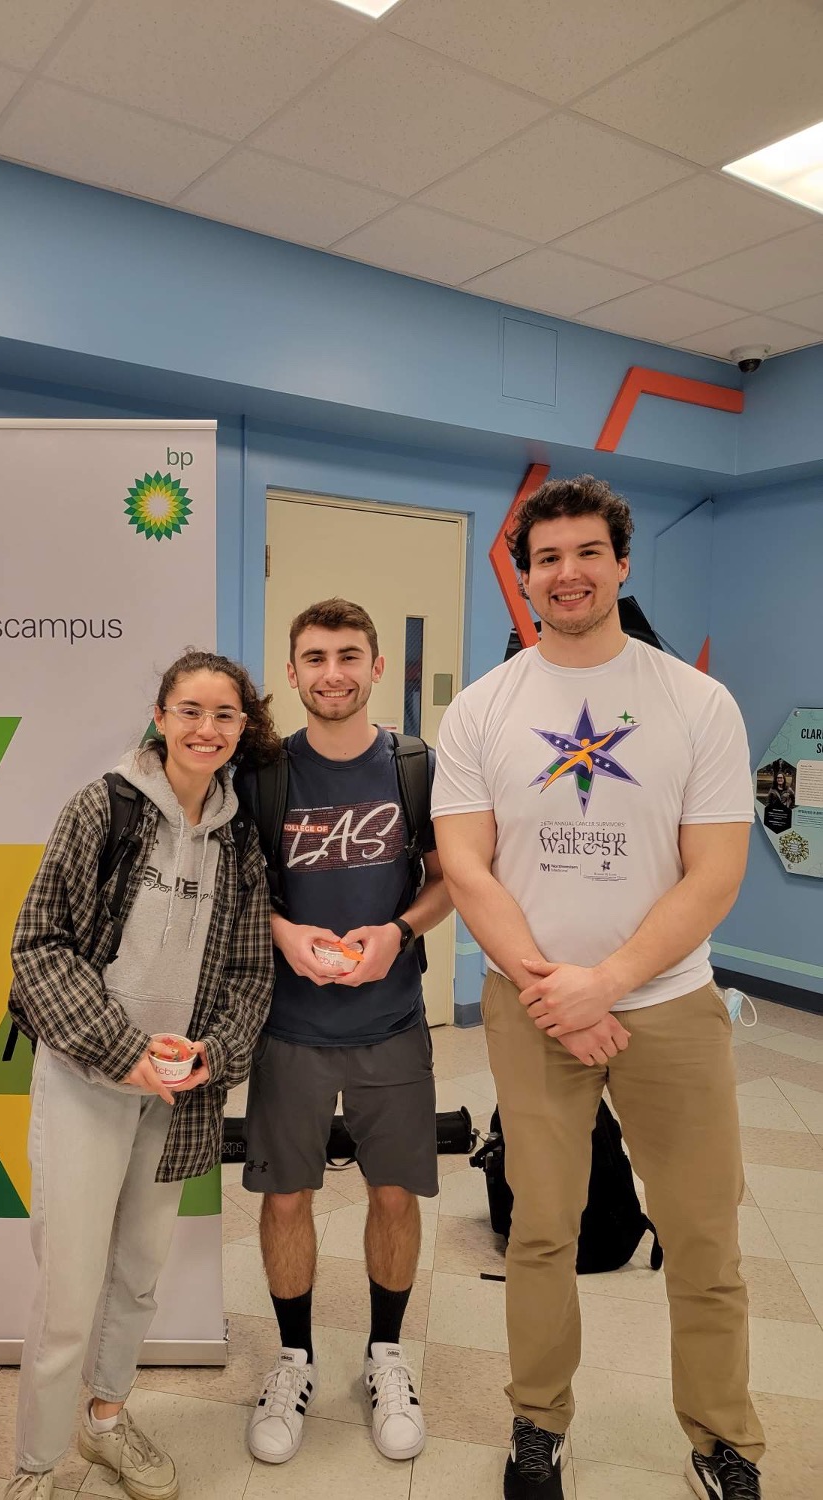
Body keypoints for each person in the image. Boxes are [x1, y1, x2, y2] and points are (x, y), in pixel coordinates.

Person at [432, 475, 764, 1500]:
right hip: (530, 1009)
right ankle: (539, 1424)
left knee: (703, 1233)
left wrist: (609, 983)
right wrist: (551, 992)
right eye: (546, 558)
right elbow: (466, 865)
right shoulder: (483, 707)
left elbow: (714, 870)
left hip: (669, 1005)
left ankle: (723, 1442)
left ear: (621, 564)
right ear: (524, 578)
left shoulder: (697, 701)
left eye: (586, 554)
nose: (566, 574)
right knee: (541, 1228)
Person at [3, 649, 279, 1500]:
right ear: (160, 717)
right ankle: (38, 1466)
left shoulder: (238, 839)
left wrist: (208, 1057)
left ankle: (106, 1425)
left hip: (180, 1095)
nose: (207, 729)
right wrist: (124, 1054)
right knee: (68, 1289)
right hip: (91, 1081)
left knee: (139, 1273)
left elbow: (247, 973)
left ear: (243, 727)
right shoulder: (103, 807)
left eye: (224, 714)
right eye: (190, 711)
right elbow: (38, 947)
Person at [234, 598, 453, 1467]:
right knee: (284, 1196)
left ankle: (384, 1357)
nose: (333, 671)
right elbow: (237, 889)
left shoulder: (414, 768)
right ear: (290, 672)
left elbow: (449, 881)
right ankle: (293, 1359)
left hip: (390, 1019)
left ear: (373, 669)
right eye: (315, 656)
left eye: (349, 655)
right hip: (286, 1027)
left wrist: (399, 932)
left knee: (393, 1192)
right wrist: (282, 933)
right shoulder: (260, 775)